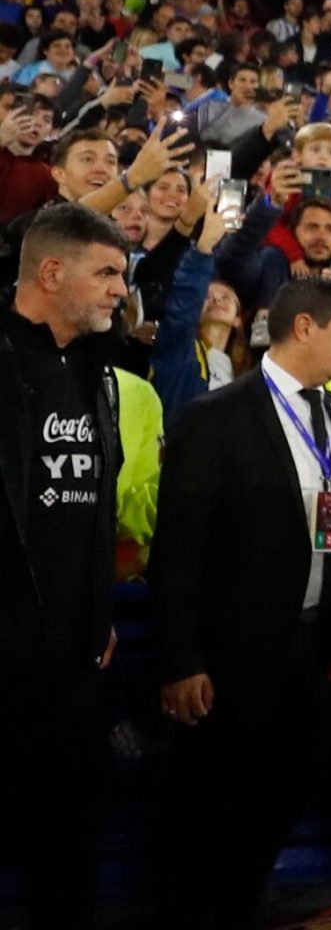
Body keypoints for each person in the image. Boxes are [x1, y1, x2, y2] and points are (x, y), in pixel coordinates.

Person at [151, 276, 331, 928]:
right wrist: (181, 660)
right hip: (229, 661)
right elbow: (178, 549)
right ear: (304, 327)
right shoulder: (214, 417)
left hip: (306, 654)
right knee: (209, 821)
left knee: (276, 809)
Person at [1, 203, 129, 929]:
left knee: (70, 850)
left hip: (74, 662)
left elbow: (95, 506)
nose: (120, 289)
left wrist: (98, 606)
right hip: (6, 653)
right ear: (51, 273)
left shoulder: (95, 369)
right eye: (106, 272)